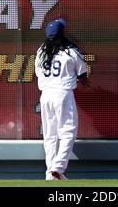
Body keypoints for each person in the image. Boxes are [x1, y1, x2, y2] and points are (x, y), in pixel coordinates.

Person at [34, 18, 88, 181]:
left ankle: (51, 172)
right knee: (68, 132)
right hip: (62, 93)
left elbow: (37, 73)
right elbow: (83, 74)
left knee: (50, 135)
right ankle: (57, 167)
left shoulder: (41, 51)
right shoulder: (71, 50)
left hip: (46, 95)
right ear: (62, 33)